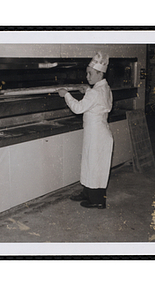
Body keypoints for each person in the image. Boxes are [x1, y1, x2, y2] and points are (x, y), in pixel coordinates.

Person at [58, 51, 113, 209]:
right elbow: (96, 100)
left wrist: (66, 95)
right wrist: (87, 90)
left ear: (99, 73)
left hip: (96, 135)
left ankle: (97, 201)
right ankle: (88, 193)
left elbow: (78, 108)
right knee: (91, 163)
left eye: (90, 74)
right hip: (98, 132)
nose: (87, 77)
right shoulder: (104, 88)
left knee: (95, 166)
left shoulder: (95, 92)